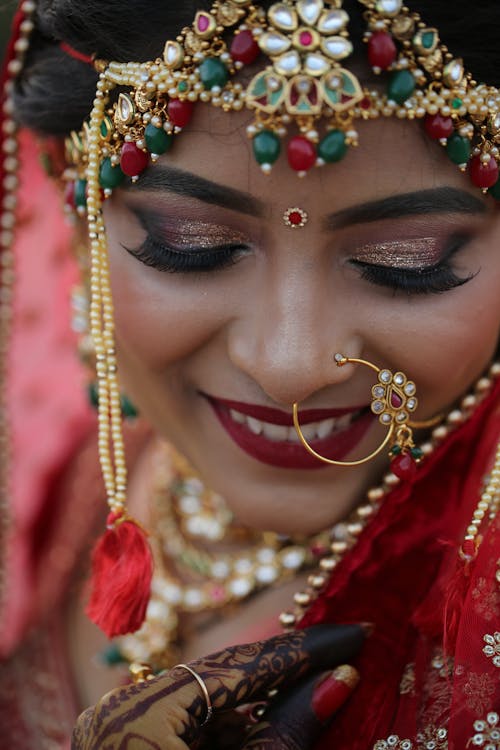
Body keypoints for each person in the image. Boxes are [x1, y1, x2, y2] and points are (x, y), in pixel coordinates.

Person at [1, 0, 499, 747]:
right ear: (74, 201)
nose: (288, 367)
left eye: (406, 261)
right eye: (189, 245)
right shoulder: (34, 470)